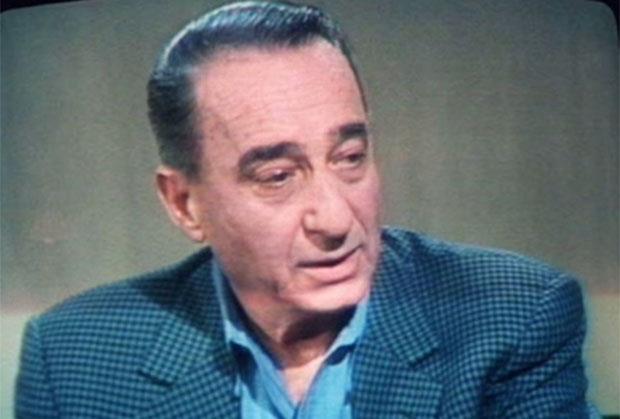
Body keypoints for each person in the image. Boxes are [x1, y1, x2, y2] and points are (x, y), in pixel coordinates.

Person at [15, 1, 596, 418]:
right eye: (277, 177)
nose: (337, 221)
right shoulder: (72, 358)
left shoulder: (514, 317)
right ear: (185, 204)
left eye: (350, 158)